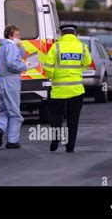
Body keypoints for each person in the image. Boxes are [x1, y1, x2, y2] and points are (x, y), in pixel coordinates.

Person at [44, 24, 91, 153]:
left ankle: (56, 138)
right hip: (76, 90)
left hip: (58, 90)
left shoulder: (56, 46)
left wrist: (53, 77)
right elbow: (87, 63)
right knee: (73, 119)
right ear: (74, 33)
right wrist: (77, 71)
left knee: (55, 117)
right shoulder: (82, 46)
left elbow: (47, 66)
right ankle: (70, 146)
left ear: (61, 34)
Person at [0, 25, 28, 149]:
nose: (19, 38)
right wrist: (24, 66)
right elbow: (12, 63)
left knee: (3, 110)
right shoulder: (11, 46)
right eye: (17, 35)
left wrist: (21, 46)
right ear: (10, 36)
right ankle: (12, 141)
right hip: (10, 83)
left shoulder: (2, 47)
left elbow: (19, 55)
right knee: (14, 113)